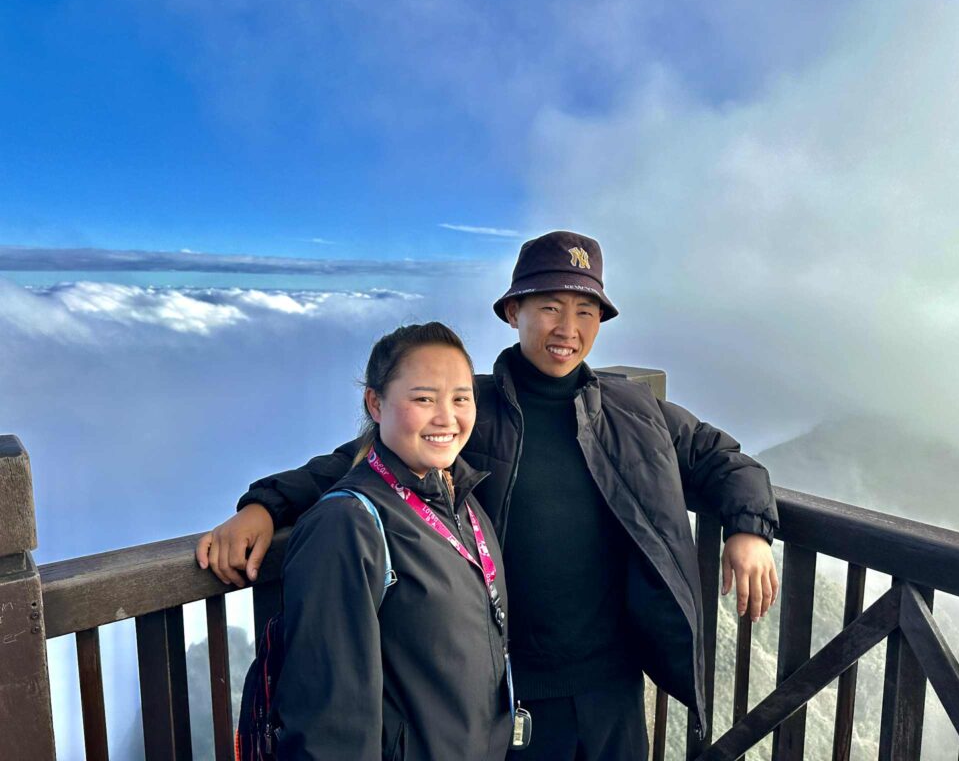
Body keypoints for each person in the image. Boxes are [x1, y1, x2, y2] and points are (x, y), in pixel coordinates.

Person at [197, 230, 780, 760]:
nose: (567, 328)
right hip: (511, 693)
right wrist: (263, 506)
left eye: (585, 310)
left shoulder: (634, 409)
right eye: (549, 307)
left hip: (614, 685)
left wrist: (748, 528)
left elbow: (719, 457)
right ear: (512, 312)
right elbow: (352, 465)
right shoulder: (469, 409)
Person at [266, 322, 512, 760]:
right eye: (424, 398)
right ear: (375, 403)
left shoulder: (461, 501)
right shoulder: (346, 526)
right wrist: (263, 505)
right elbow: (330, 727)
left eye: (460, 398)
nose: (446, 417)